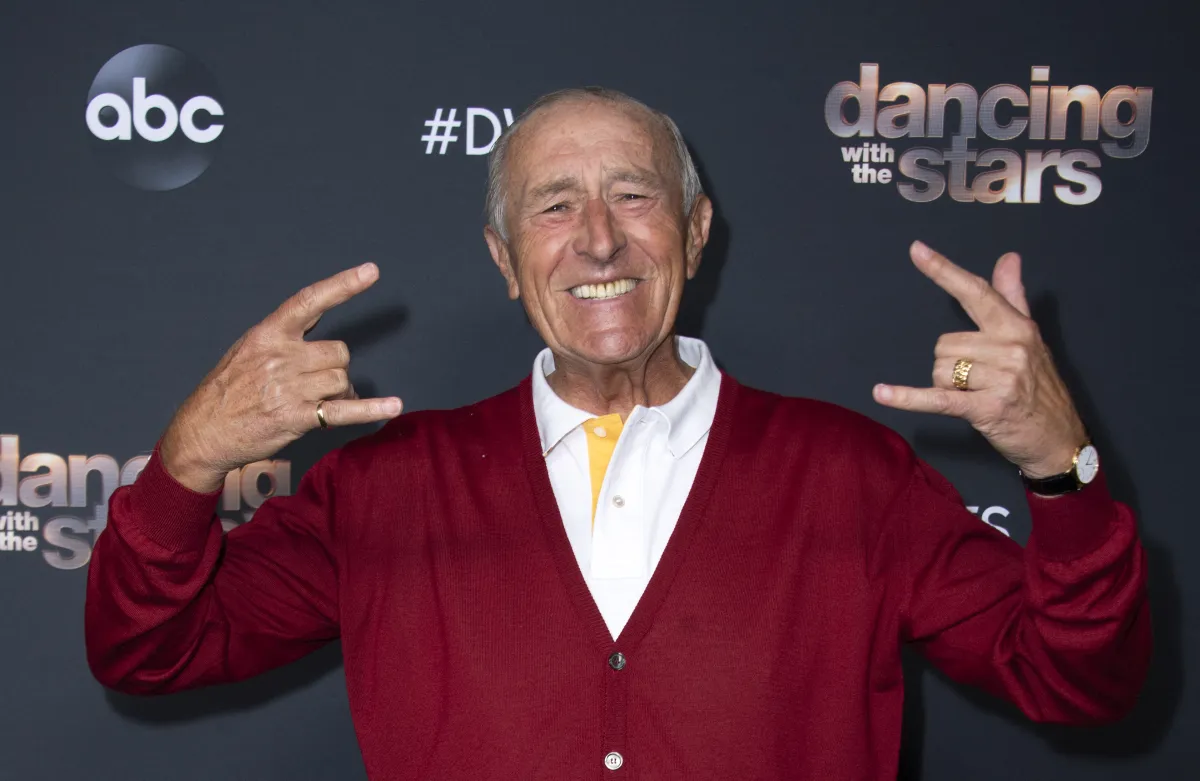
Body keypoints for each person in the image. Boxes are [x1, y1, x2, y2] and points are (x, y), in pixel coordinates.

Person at [85, 87, 1150, 780]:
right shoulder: (384, 489)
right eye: (554, 205)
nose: (598, 236)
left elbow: (1078, 681)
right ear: (505, 261)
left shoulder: (849, 472)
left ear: (692, 233)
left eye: (633, 195)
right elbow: (145, 650)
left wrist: (1063, 470)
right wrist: (187, 463)